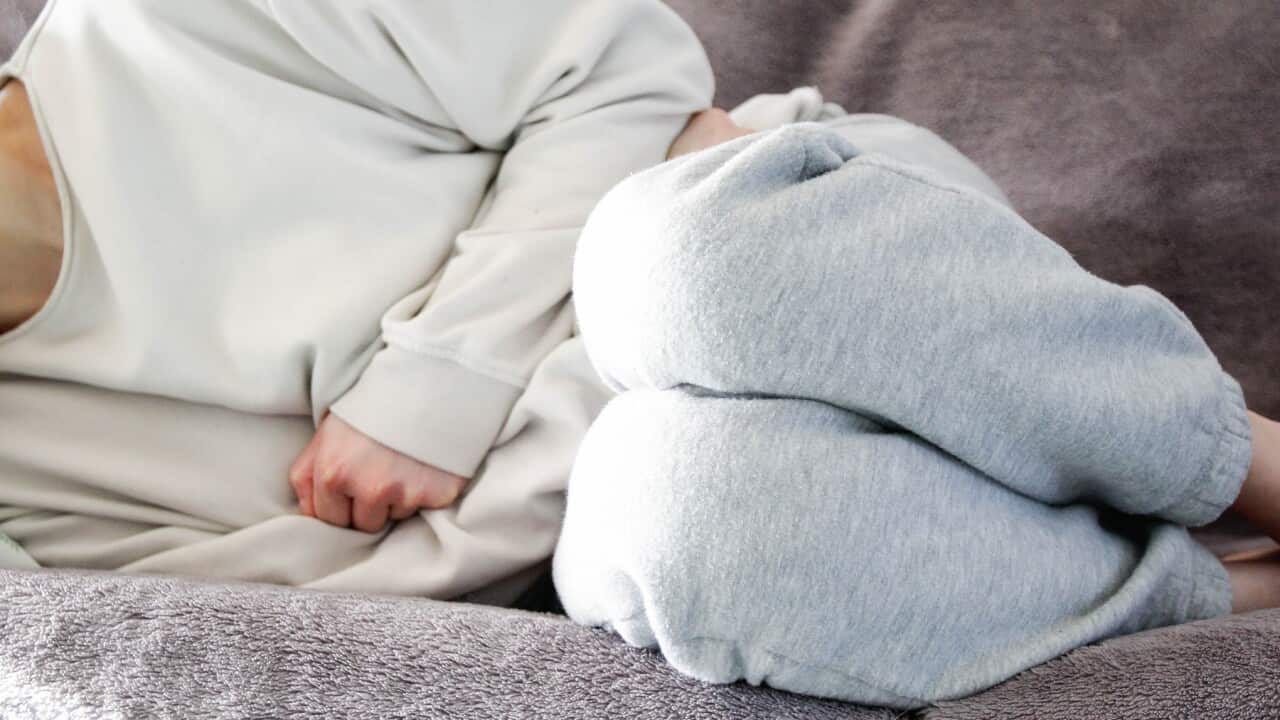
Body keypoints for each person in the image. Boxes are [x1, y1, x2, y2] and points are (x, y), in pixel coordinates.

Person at [551, 90, 1280, 710]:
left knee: (693, 258)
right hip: (589, 454)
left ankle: (1243, 459)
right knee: (696, 536)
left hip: (747, 222)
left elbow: (630, 84)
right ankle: (1214, 587)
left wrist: (455, 391)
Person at [0, 0, 712, 604]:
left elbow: (628, 70)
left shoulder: (167, 23)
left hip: (721, 244)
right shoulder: (24, 488)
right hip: (641, 509)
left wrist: (440, 380)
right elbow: (417, 595)